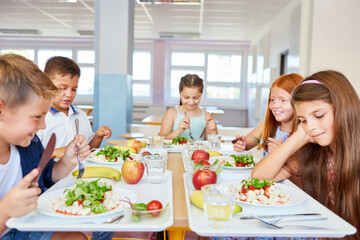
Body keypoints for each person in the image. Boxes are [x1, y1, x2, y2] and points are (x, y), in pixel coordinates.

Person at [252, 70, 360, 240]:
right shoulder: (318, 154)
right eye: (303, 120)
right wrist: (298, 136)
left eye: (318, 115)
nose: (310, 126)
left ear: (343, 108)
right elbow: (259, 178)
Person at [0, 54, 90, 239]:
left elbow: (48, 176)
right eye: (36, 117)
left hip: (29, 226)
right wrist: (5, 211)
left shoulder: (30, 144)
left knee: (78, 236)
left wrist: (66, 162)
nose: (43, 126)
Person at [37, 56, 112, 159]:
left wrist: (98, 136)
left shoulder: (81, 115)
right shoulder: (39, 119)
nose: (69, 94)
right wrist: (55, 152)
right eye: (62, 88)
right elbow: (30, 159)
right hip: (52, 174)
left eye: (74, 89)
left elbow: (87, 151)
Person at [233, 73, 303, 157]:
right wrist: (241, 144)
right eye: (272, 99)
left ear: (298, 102)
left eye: (283, 100)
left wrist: (282, 154)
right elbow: (246, 144)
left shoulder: (303, 133)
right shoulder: (269, 125)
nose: (275, 105)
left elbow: (301, 169)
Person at [159, 74, 217, 140]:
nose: (191, 102)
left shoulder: (208, 116)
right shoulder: (171, 113)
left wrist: (214, 131)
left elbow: (212, 145)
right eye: (186, 97)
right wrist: (179, 131)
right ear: (180, 93)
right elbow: (161, 140)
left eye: (196, 98)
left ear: (201, 95)